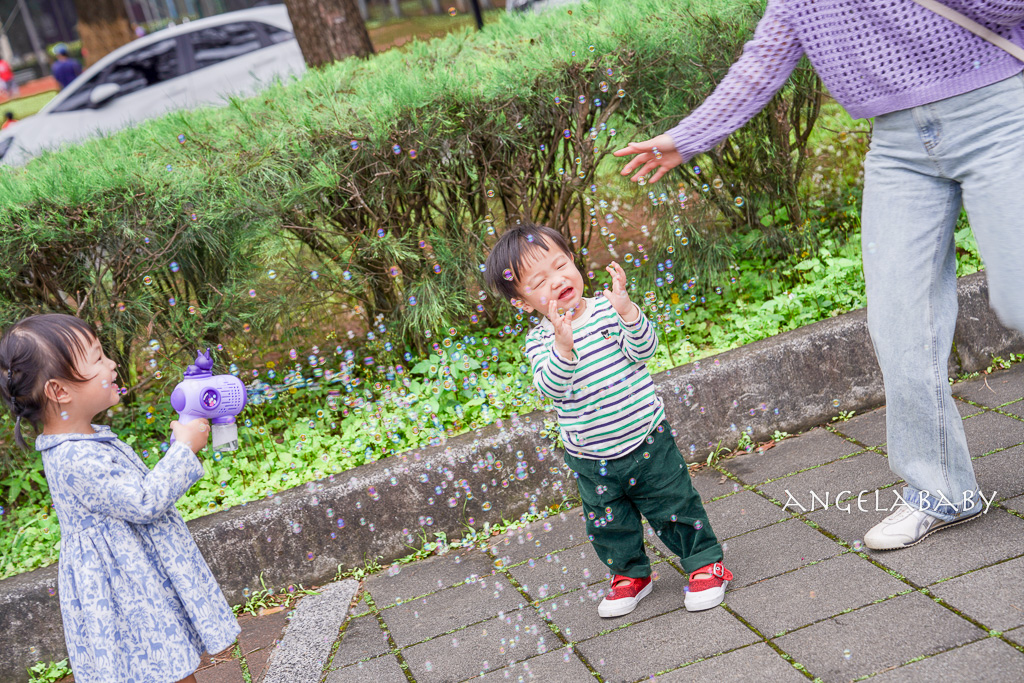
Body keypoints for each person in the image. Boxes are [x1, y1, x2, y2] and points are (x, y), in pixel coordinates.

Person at [614, 0, 1024, 550]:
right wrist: (688, 137)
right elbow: (761, 64)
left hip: (998, 111)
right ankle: (940, 491)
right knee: (899, 321)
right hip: (900, 146)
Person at [484, 223, 732, 616]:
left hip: (647, 439)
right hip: (591, 455)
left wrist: (629, 312)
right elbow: (551, 388)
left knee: (675, 503)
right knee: (608, 523)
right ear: (523, 303)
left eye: (561, 265)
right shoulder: (539, 342)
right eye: (539, 280)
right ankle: (631, 574)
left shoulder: (606, 310)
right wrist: (563, 348)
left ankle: (704, 563)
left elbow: (644, 349)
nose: (558, 280)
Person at [0, 314, 240, 683]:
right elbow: (143, 502)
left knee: (170, 664)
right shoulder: (75, 456)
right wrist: (182, 449)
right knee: (164, 668)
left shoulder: (85, 439)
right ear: (59, 391)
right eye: (97, 359)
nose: (111, 364)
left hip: (134, 573)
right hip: (124, 588)